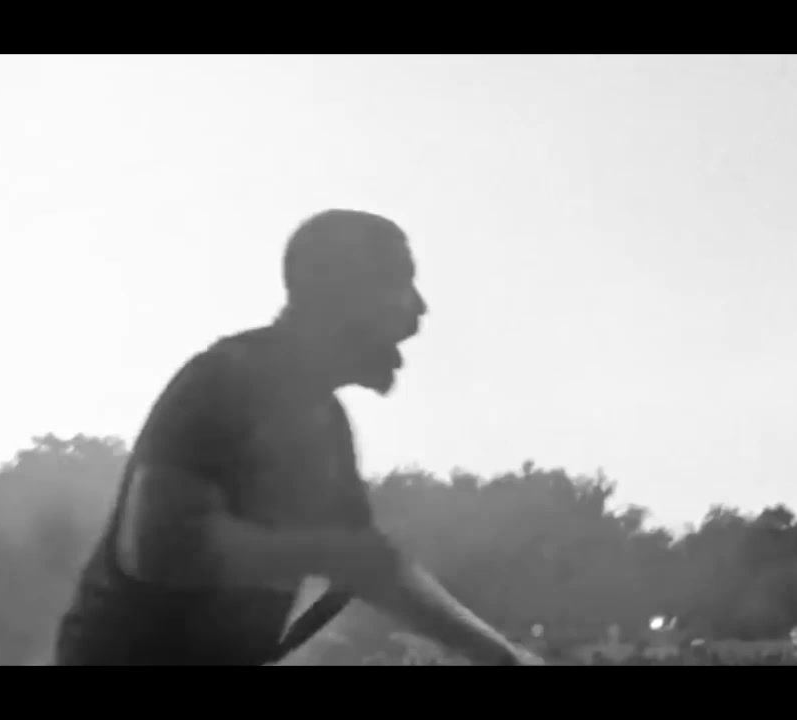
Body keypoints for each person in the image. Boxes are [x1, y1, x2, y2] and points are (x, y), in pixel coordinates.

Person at [55, 209, 540, 666]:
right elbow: (160, 548)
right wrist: (329, 552)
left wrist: (504, 658)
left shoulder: (324, 421)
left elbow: (376, 569)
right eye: (399, 284)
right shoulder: (225, 381)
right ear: (340, 295)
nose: (419, 308)